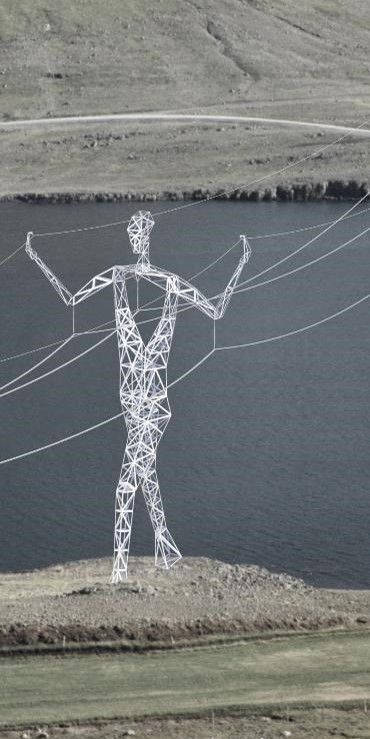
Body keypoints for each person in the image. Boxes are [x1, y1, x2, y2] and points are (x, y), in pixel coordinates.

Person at [26, 212, 251, 583]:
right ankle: (166, 548)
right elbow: (71, 300)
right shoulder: (116, 276)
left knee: (126, 484)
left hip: (153, 407)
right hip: (133, 406)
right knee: (146, 476)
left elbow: (216, 310)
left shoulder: (170, 284)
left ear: (145, 235)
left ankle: (119, 569)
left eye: (135, 232)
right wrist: (36, 258)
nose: (132, 238)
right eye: (130, 232)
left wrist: (241, 262)